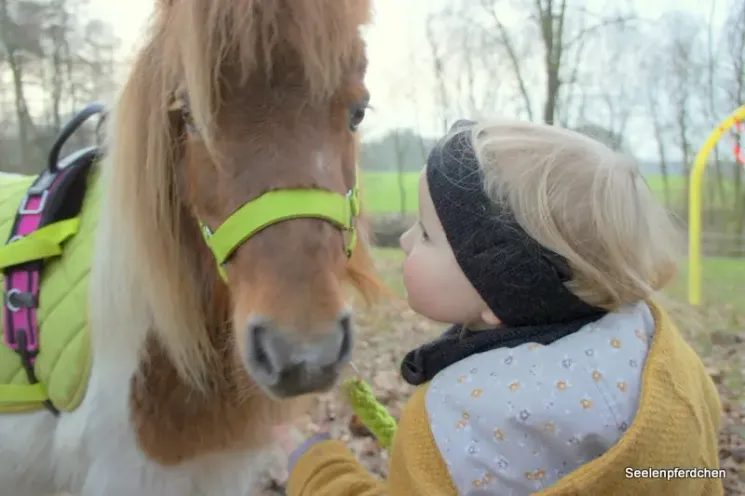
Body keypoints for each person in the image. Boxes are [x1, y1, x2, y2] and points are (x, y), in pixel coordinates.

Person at [277, 120, 723, 495]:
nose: (407, 240)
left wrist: (314, 463)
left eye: (428, 234)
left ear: (503, 292)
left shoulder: (453, 431)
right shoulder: (665, 364)